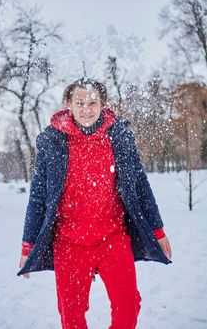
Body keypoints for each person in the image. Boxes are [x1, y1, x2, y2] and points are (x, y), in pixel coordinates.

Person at [18, 78, 172, 329]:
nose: (86, 109)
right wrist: (28, 246)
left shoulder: (119, 134)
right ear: (68, 103)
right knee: (72, 317)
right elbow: (38, 196)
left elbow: (140, 185)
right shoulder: (51, 141)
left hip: (113, 238)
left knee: (128, 305)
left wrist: (159, 231)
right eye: (79, 102)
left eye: (93, 102)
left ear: (103, 104)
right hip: (69, 243)